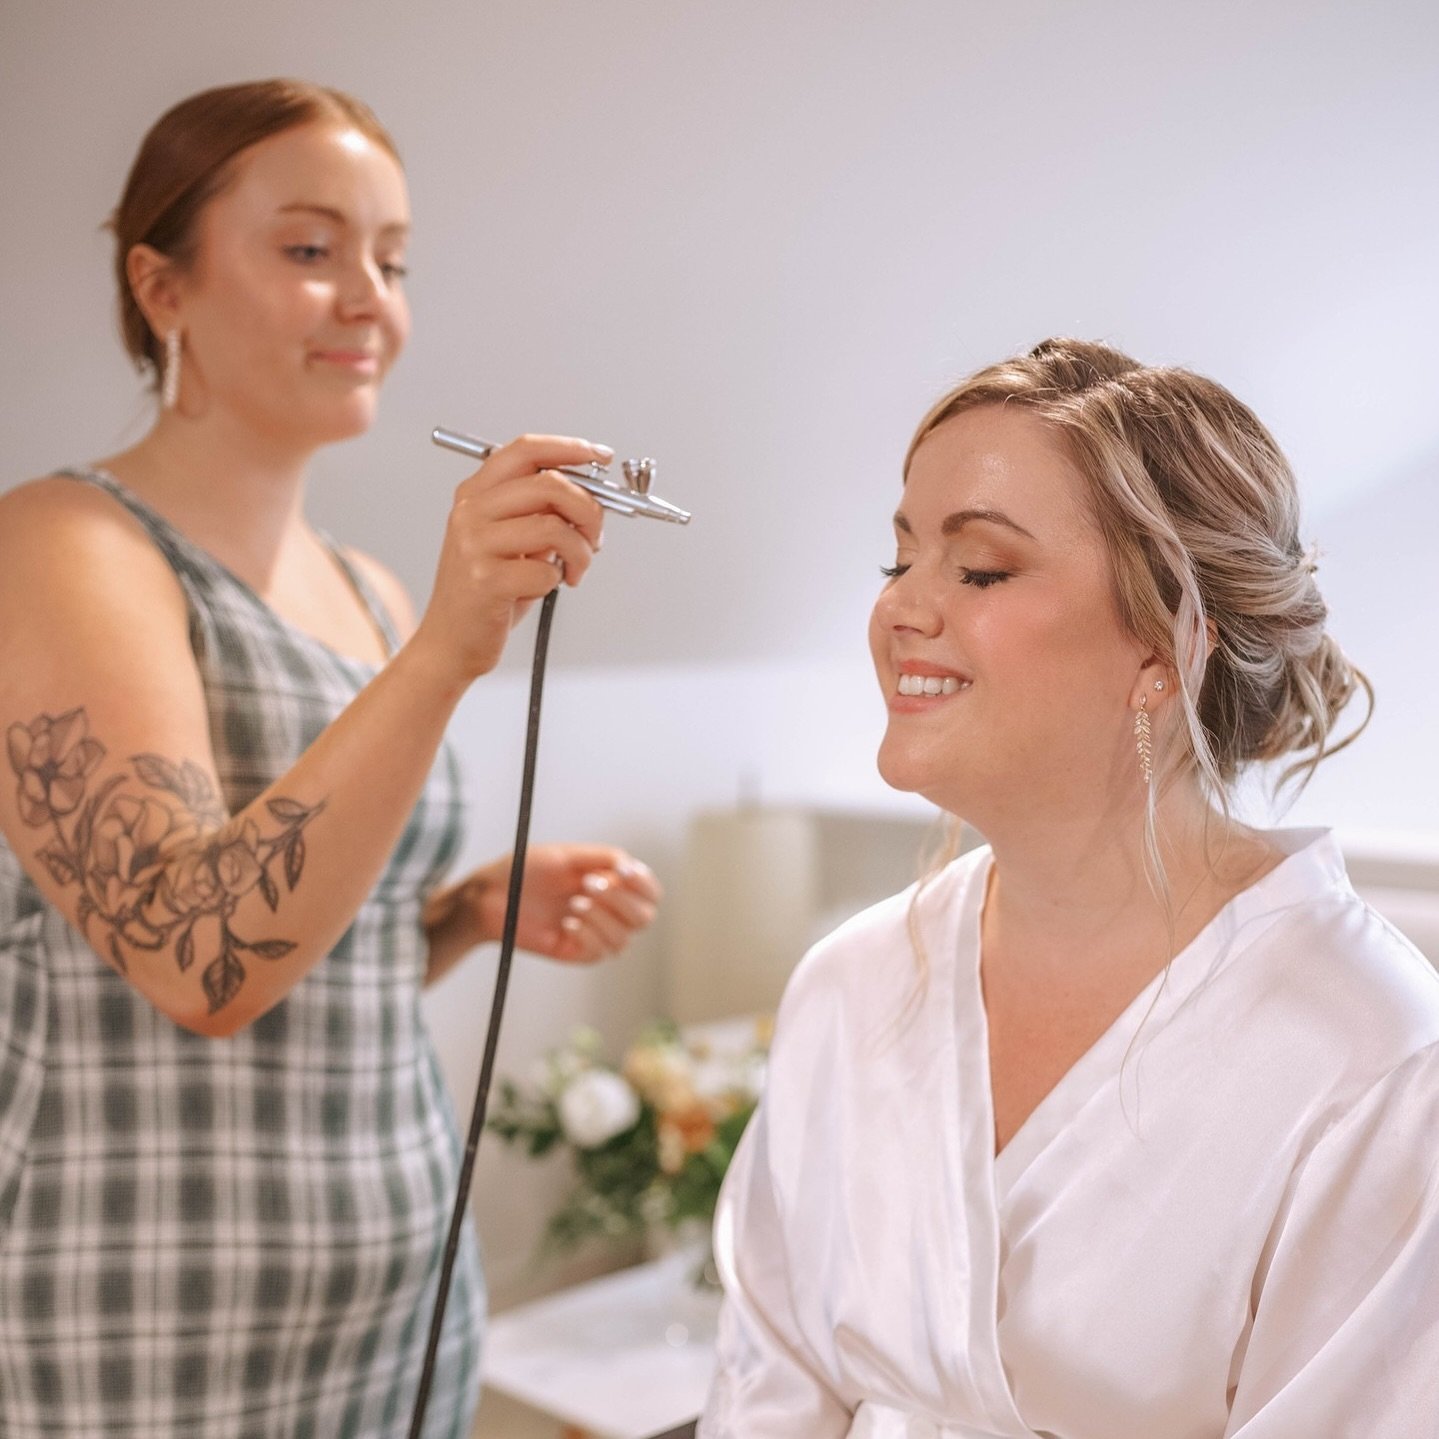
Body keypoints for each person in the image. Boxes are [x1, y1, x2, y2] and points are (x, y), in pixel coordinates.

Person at [0, 79, 662, 1438]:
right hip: (144, 1328)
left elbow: (314, 969)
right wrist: (447, 651)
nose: (369, 297)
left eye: (392, 258)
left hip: (397, 1310)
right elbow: (196, 956)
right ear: (160, 285)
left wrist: (464, 913)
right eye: (310, 249)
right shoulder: (65, 545)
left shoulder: (361, 590)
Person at [700, 339, 1439, 1437]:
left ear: (1164, 644)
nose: (900, 609)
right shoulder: (849, 984)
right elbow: (764, 1391)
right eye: (896, 561)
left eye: (979, 569)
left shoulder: (1368, 1057)